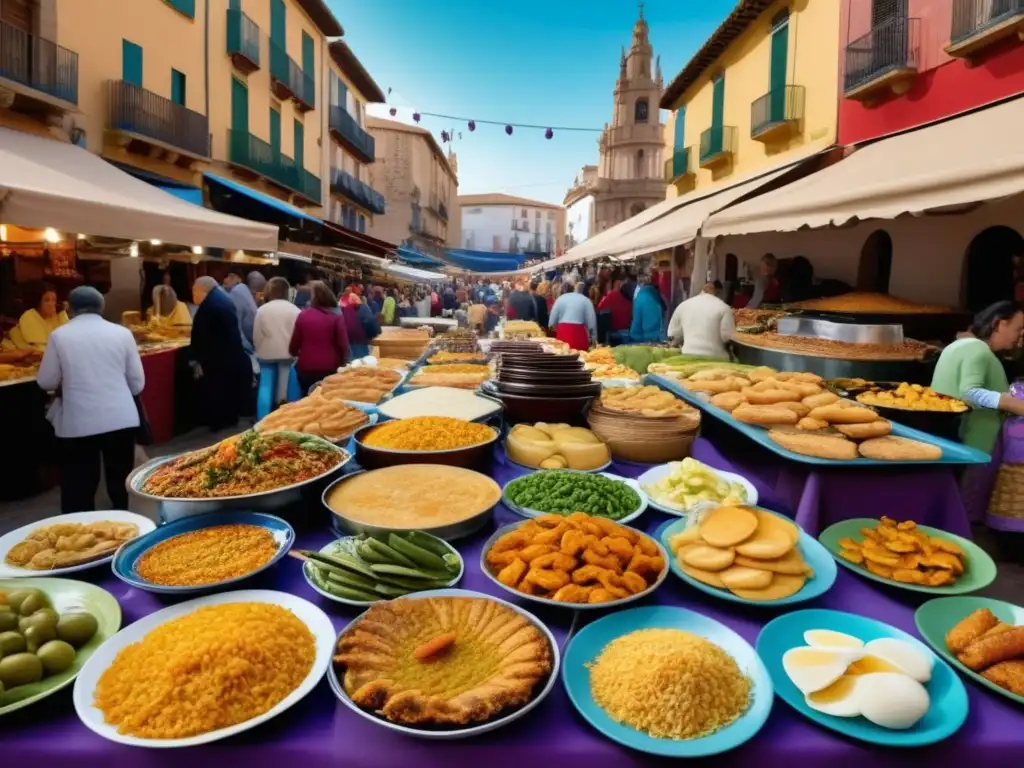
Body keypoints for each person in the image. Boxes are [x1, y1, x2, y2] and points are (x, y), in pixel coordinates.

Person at [36, 287, 144, 513]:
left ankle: (81, 536)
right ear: (101, 307)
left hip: (78, 422)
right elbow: (137, 384)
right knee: (122, 483)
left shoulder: (59, 335)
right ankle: (127, 528)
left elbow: (46, 380)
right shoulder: (122, 333)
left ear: (69, 308)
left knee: (79, 488)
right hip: (121, 417)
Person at [932, 302, 1024, 522]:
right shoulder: (978, 350)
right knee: (966, 512)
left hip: (955, 441)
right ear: (1000, 324)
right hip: (976, 445)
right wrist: (1012, 404)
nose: (1019, 337)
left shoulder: (959, 346)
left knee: (955, 506)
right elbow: (969, 392)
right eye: (1018, 329)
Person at [191, 276, 252, 430]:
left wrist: (196, 359)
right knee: (228, 389)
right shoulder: (223, 299)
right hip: (230, 352)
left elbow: (201, 334)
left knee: (216, 390)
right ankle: (230, 418)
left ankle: (218, 422)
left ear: (201, 290)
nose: (193, 295)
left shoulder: (209, 305)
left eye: (194, 291)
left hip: (216, 356)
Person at [290, 281, 351, 393]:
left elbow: (294, 344)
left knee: (306, 399)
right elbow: (343, 343)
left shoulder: (303, 316)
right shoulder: (336, 317)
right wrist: (344, 361)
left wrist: (295, 353)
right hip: (329, 368)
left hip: (306, 368)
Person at [254, 277, 301, 407]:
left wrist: (258, 350)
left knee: (265, 385)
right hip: (288, 354)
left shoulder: (262, 310)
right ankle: (286, 411)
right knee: (286, 383)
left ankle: (262, 417)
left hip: (266, 353)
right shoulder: (295, 310)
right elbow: (299, 335)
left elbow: (256, 335)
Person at [667, 282, 735, 359]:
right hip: (716, 358)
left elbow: (673, 335)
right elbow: (727, 337)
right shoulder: (724, 307)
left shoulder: (683, 305)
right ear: (718, 293)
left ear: (701, 291)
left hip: (687, 354)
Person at [16, 283, 68, 349]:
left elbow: (68, 338)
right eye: (47, 300)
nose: (51, 304)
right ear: (38, 302)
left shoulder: (59, 314)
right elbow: (39, 347)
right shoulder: (29, 316)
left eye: (54, 300)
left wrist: (62, 314)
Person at [548, 282, 597, 351]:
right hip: (579, 336)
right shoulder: (586, 301)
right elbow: (592, 325)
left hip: (562, 335)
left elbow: (551, 323)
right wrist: (594, 342)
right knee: (581, 358)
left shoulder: (560, 299)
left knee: (561, 356)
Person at [223, 272, 258, 348]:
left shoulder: (236, 292)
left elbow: (236, 322)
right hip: (255, 336)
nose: (225, 280)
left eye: (230, 277)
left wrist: (244, 345)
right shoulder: (243, 288)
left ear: (237, 279)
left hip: (249, 339)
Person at [598, 275, 634, 345]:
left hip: (613, 332)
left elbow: (600, 311)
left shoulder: (609, 297)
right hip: (627, 332)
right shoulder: (632, 297)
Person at [343, 294, 381, 358]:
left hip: (345, 348)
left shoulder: (341, 310)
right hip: (361, 345)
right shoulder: (364, 308)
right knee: (361, 365)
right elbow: (375, 329)